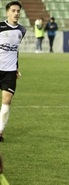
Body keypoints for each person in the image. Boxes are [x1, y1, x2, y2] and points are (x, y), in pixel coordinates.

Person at [0, 1, 26, 142]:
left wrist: (16, 67)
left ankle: (0, 131)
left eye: (18, 11)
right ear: (7, 12)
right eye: (13, 10)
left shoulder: (22, 30)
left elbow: (15, 50)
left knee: (7, 99)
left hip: (9, 71)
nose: (16, 13)